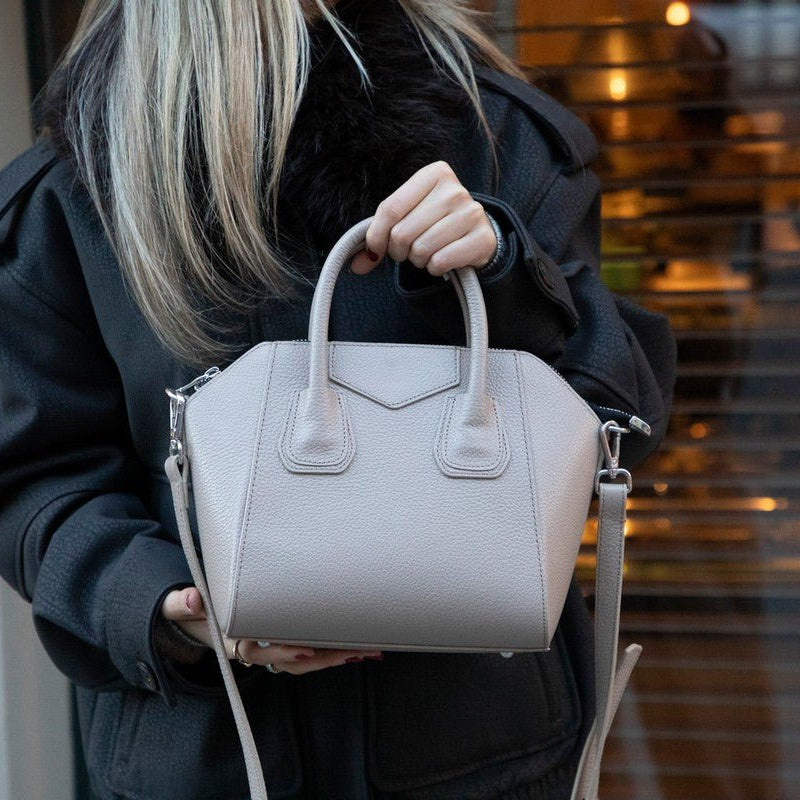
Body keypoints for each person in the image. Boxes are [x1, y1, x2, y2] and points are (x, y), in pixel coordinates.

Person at [0, 0, 676, 798]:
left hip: (479, 753)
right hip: (205, 759)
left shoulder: (493, 133)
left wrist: (505, 277)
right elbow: (35, 475)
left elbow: (619, 417)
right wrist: (161, 603)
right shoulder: (80, 183)